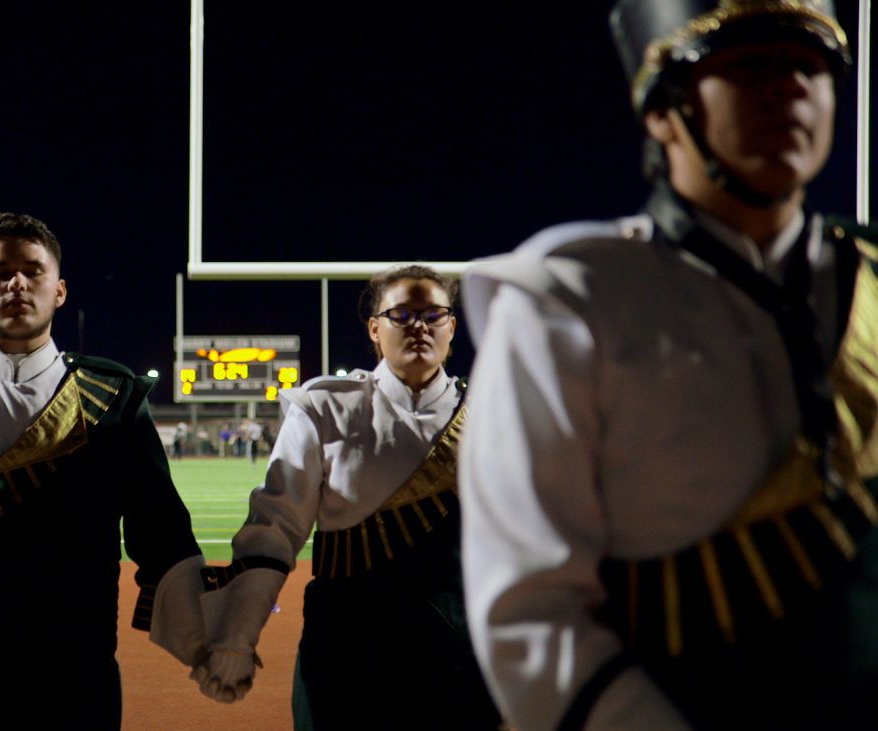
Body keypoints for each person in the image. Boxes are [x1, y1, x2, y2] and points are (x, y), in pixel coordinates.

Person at [460, 1, 878, 729]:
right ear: (663, 112)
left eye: (810, 66)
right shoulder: (570, 297)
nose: (791, 89)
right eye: (752, 65)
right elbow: (532, 618)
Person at [0, 211, 206, 730]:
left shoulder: (113, 395)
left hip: (75, 668)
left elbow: (159, 528)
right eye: (0, 272)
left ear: (60, 290)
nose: (18, 283)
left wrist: (206, 638)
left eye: (34, 270)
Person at [195, 264, 501, 729]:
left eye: (433, 315)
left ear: (452, 328)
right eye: (401, 314)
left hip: (457, 653)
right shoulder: (324, 406)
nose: (419, 326)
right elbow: (274, 529)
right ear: (374, 329)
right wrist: (237, 637)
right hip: (345, 651)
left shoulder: (493, 415)